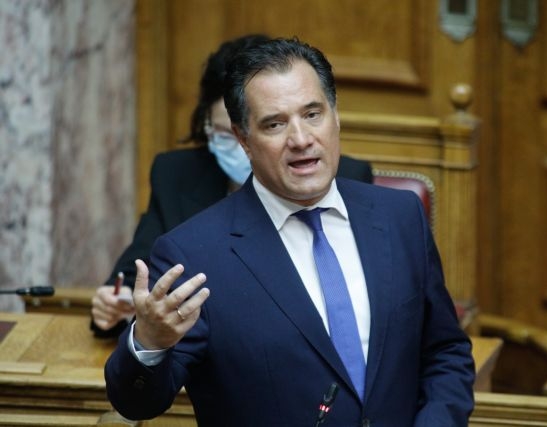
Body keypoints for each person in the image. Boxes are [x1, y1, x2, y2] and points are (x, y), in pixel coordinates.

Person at [104, 38, 475, 426]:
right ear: (244, 139)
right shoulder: (194, 253)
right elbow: (137, 404)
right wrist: (149, 343)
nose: (300, 139)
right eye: (275, 124)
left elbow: (445, 351)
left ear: (336, 116)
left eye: (312, 114)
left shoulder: (399, 216)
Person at [91, 35, 372, 337]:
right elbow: (137, 274)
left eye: (310, 115)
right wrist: (119, 304)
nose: (243, 149)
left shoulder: (340, 175)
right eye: (228, 135)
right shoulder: (176, 175)